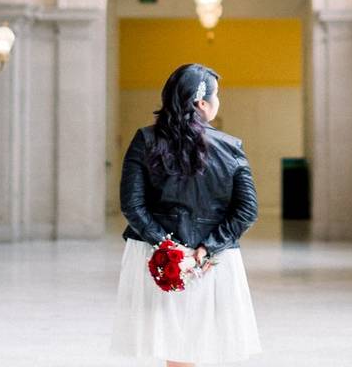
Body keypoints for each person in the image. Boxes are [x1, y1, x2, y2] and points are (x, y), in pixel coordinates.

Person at [109, 63, 262, 367]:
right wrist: (206, 249)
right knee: (196, 342)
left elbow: (131, 204)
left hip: (158, 257)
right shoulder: (231, 148)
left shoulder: (144, 139)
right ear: (201, 103)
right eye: (217, 95)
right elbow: (247, 209)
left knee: (174, 344)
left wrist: (168, 247)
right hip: (213, 259)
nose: (219, 102)